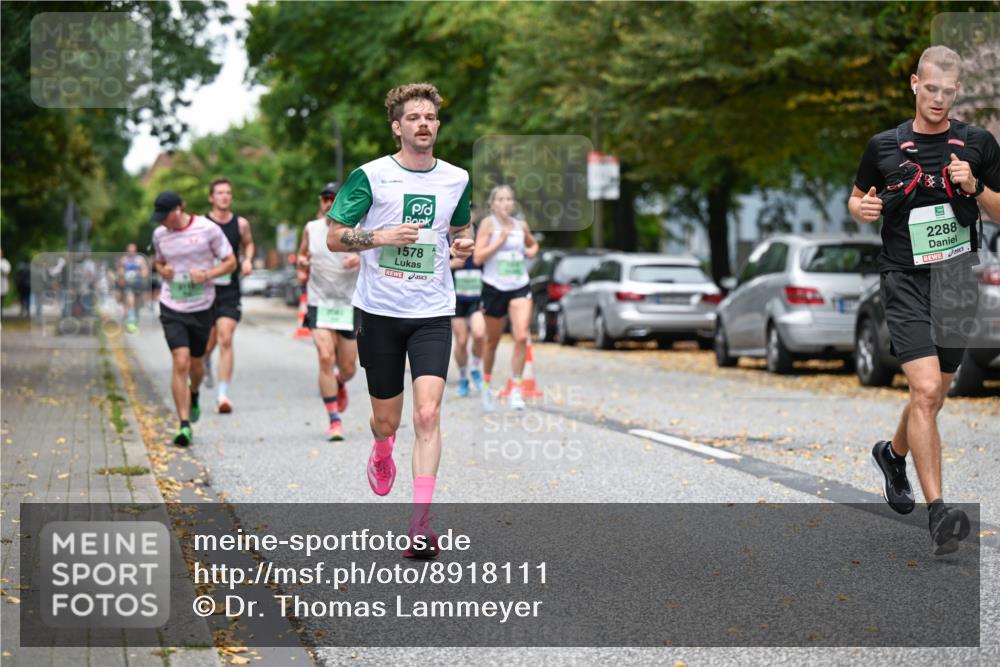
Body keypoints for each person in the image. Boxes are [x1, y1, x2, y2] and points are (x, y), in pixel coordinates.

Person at [849, 45, 1000, 555]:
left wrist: (976, 186)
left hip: (957, 280)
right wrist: (863, 208)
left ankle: (893, 455)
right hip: (906, 278)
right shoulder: (885, 145)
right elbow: (857, 197)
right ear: (915, 83)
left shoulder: (978, 143)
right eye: (929, 88)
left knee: (933, 394)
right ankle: (939, 514)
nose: (937, 99)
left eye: (947, 92)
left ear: (958, 92)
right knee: (929, 388)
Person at [325, 82, 474, 558]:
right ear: (397, 127)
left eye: (430, 117)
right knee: (386, 421)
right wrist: (379, 235)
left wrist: (464, 244)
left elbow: (460, 228)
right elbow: (334, 238)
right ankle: (382, 448)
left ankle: (420, 524)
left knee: (428, 413)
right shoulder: (369, 177)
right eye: (413, 117)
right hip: (380, 311)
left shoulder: (456, 178)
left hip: (432, 310)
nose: (423, 124)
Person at [150, 191, 236, 446]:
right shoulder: (159, 235)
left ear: (178, 209)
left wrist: (208, 274)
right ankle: (184, 424)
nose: (162, 222)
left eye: (165, 216)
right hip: (171, 305)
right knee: (180, 360)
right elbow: (159, 262)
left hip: (201, 306)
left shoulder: (207, 229)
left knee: (196, 365)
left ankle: (195, 392)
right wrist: (162, 270)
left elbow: (231, 262)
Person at [297, 182, 360, 441]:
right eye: (325, 198)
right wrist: (302, 264)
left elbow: (378, 258)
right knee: (325, 356)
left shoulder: (356, 229)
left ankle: (341, 381)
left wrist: (361, 258)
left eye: (334, 198)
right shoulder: (311, 229)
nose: (329, 202)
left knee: (348, 368)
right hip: (319, 302)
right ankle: (334, 419)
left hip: (348, 304)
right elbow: (302, 258)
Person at [473, 185, 539, 410]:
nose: (505, 203)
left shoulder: (520, 226)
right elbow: (478, 257)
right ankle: (486, 385)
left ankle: (517, 390)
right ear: (493, 204)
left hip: (519, 285)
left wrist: (532, 251)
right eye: (500, 199)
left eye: (509, 199)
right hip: (494, 287)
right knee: (492, 341)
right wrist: (499, 241)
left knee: (521, 337)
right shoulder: (487, 225)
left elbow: (533, 244)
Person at [201, 178, 255, 413]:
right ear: (211, 198)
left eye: (228, 193)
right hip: (204, 290)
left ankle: (222, 396)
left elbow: (249, 244)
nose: (224, 196)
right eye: (220, 193)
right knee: (207, 342)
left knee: (225, 337)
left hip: (229, 291)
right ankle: (204, 360)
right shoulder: (202, 224)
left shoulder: (241, 224)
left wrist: (248, 260)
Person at [449, 231, 486, 398]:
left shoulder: (481, 236)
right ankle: (463, 377)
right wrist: (451, 264)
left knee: (479, 334)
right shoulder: (448, 235)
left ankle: (475, 367)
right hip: (456, 298)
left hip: (476, 298)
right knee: (462, 341)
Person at [117, 243, 149, 333]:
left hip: (138, 285)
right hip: (128, 285)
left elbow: (145, 271)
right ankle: (130, 323)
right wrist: (123, 275)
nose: (131, 252)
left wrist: (139, 274)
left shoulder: (140, 259)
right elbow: (120, 271)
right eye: (129, 250)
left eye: (133, 250)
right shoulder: (124, 260)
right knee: (130, 302)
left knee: (137, 305)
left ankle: (135, 320)